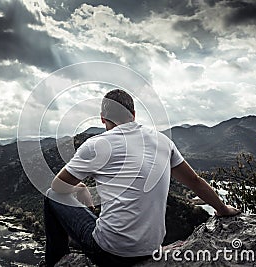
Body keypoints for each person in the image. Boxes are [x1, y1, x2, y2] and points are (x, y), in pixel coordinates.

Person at [43, 89, 240, 266]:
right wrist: (222, 209)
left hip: (110, 252)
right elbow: (195, 181)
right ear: (134, 115)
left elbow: (58, 187)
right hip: (151, 250)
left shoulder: (96, 145)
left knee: (51, 195)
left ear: (102, 118)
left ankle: (56, 261)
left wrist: (80, 188)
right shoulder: (164, 141)